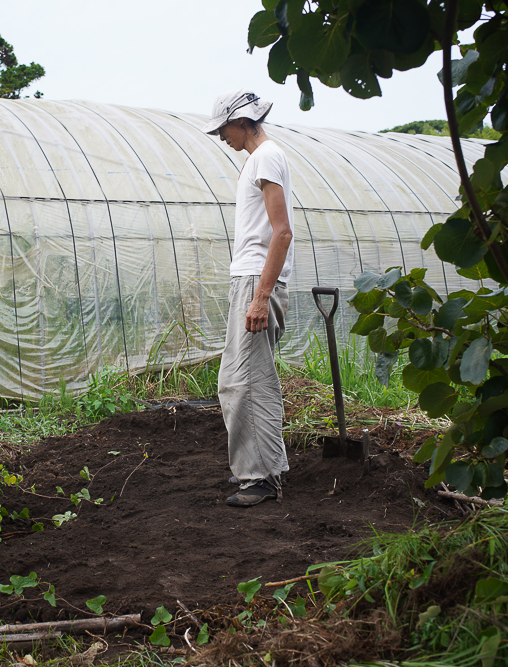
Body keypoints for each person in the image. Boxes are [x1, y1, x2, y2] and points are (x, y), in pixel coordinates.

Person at [202, 89, 293, 507]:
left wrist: (261, 297)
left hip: (258, 279)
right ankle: (259, 469)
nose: (222, 136)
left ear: (242, 121)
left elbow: (282, 231)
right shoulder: (255, 161)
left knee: (248, 382)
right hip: (251, 278)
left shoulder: (266, 156)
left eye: (224, 128)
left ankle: (261, 477)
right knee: (237, 381)